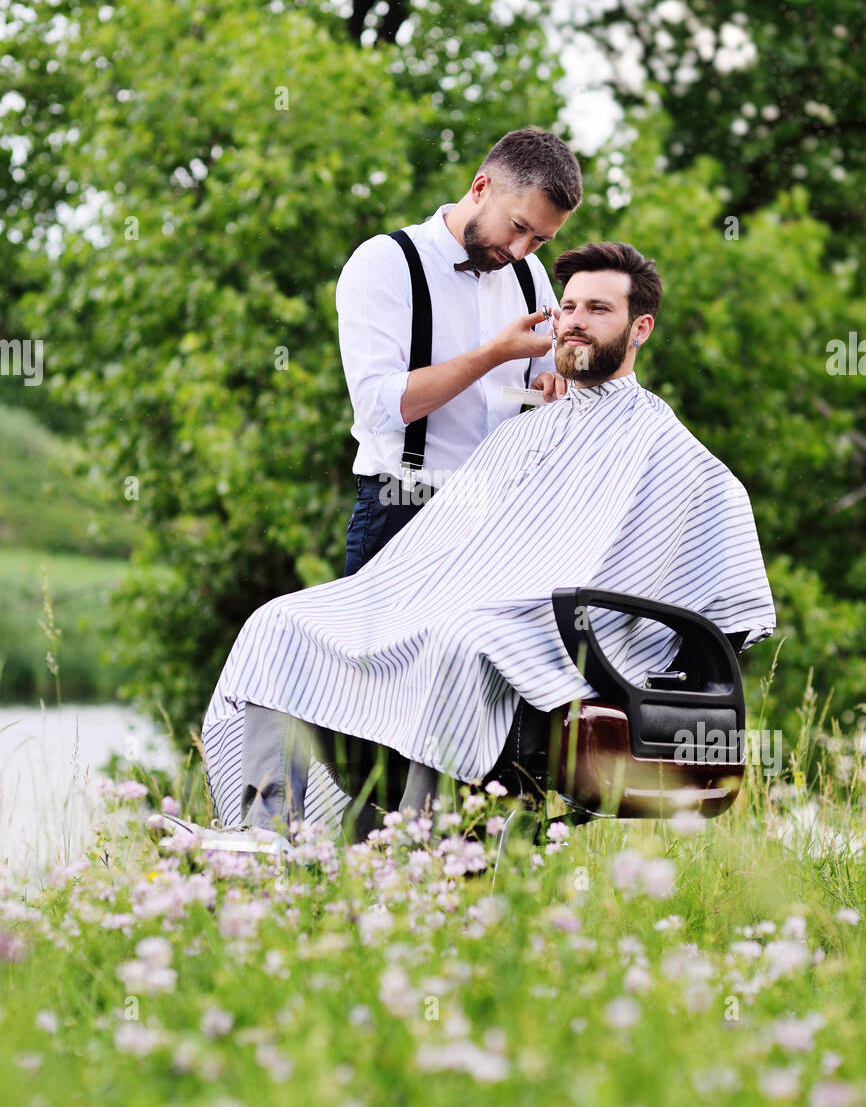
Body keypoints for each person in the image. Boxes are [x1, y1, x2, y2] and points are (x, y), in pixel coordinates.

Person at [201, 242, 776, 835]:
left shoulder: (668, 450)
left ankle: (431, 849)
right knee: (279, 623)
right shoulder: (523, 430)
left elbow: (726, 592)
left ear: (640, 328)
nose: (575, 320)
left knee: (458, 639)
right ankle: (271, 835)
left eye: (598, 309)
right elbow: (447, 548)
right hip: (464, 608)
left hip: (564, 637)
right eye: (569, 306)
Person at [338, 126, 582, 578]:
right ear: (480, 187)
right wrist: (493, 354)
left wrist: (549, 388)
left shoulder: (530, 277)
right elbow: (379, 407)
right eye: (518, 227)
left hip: (503, 519)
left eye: (538, 241)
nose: (519, 250)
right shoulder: (385, 263)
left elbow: (531, 394)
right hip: (405, 508)